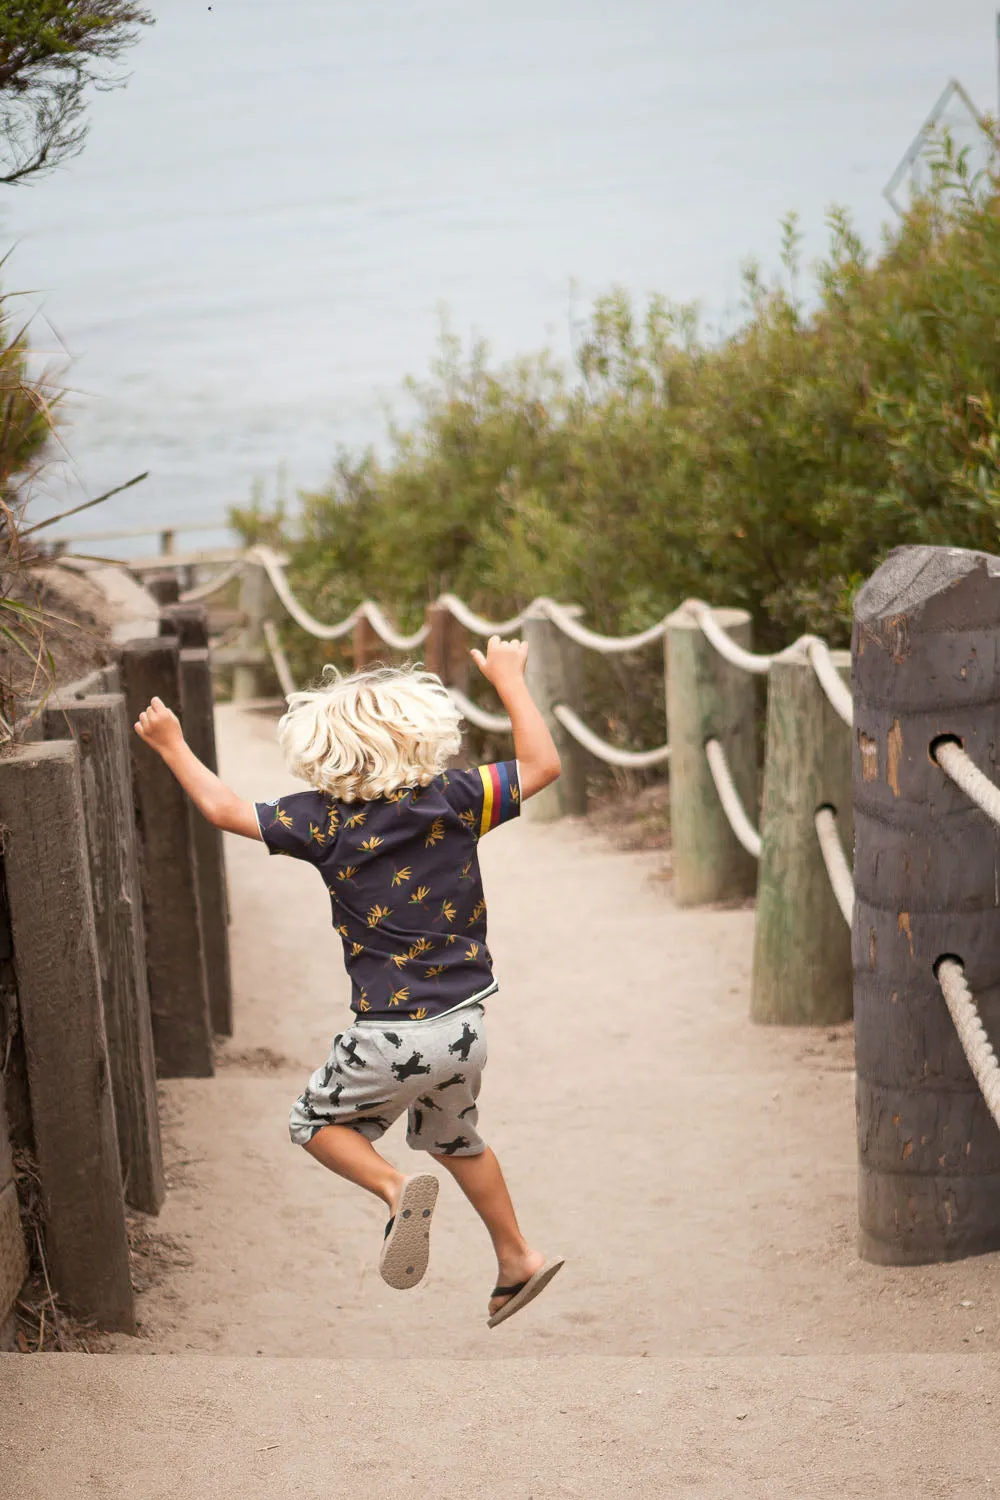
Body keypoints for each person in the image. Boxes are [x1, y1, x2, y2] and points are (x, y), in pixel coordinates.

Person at [133, 634, 565, 1328]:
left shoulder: (321, 819)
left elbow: (222, 810)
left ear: (321, 752)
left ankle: (395, 1191)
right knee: (456, 1139)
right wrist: (510, 679)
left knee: (313, 1123)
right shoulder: (457, 797)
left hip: (390, 1034)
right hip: (466, 1028)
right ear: (423, 735)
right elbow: (543, 764)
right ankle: (516, 1257)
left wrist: (171, 744)